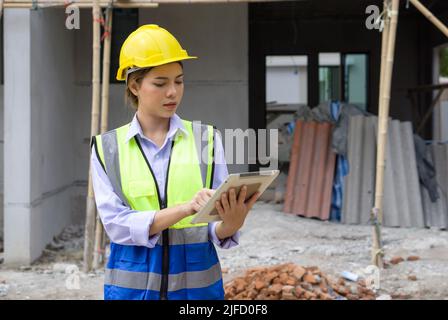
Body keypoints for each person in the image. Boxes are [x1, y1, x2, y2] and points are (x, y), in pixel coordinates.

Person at [90, 24, 259, 300]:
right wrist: (184, 209)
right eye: (160, 83)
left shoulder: (207, 139)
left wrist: (232, 222)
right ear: (134, 85)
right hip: (132, 293)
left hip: (197, 292)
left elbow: (214, 228)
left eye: (178, 81)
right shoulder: (107, 148)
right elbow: (117, 225)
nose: (173, 92)